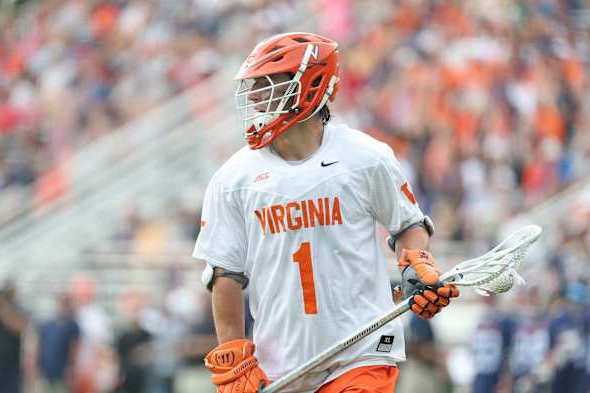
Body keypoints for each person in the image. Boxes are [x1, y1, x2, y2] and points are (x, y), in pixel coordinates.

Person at [192, 32, 459, 393]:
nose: (256, 97)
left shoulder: (365, 157)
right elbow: (226, 274)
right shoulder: (233, 178)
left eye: (269, 84)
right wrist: (233, 353)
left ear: (310, 87)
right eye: (254, 86)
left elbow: (408, 223)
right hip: (280, 365)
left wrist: (415, 262)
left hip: (361, 354)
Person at [37, 293, 81, 393]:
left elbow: (74, 348)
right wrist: (38, 365)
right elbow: (41, 346)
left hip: (62, 372)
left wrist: (71, 367)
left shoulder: (72, 326)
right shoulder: (48, 325)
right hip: (47, 369)